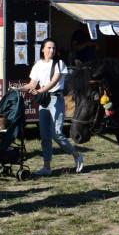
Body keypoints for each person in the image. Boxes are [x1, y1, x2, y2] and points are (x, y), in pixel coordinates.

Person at [22, 38, 83, 176]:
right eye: (49, 48)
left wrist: (39, 91)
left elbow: (53, 82)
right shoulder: (38, 65)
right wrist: (18, 89)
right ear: (42, 49)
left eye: (54, 48)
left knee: (57, 133)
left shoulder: (59, 64)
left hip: (56, 99)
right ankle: (47, 167)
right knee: (45, 136)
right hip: (44, 101)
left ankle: (76, 155)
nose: (52, 50)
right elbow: (31, 85)